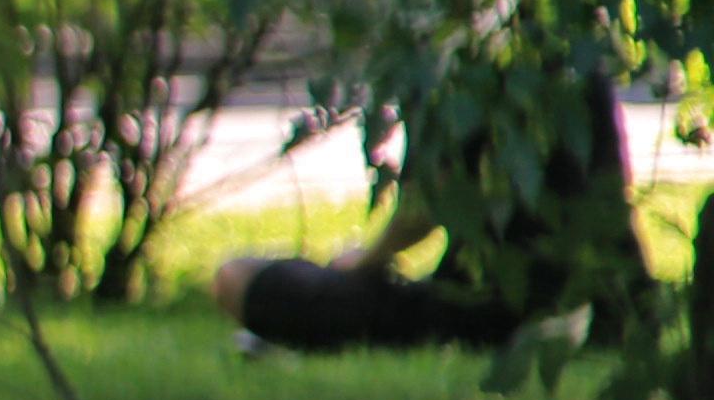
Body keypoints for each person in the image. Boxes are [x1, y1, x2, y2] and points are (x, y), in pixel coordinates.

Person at [212, 84, 642, 354]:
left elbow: (425, 209)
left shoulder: (458, 70)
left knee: (236, 276)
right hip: (609, 304)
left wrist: (365, 262)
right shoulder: (580, 55)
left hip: (488, 313)